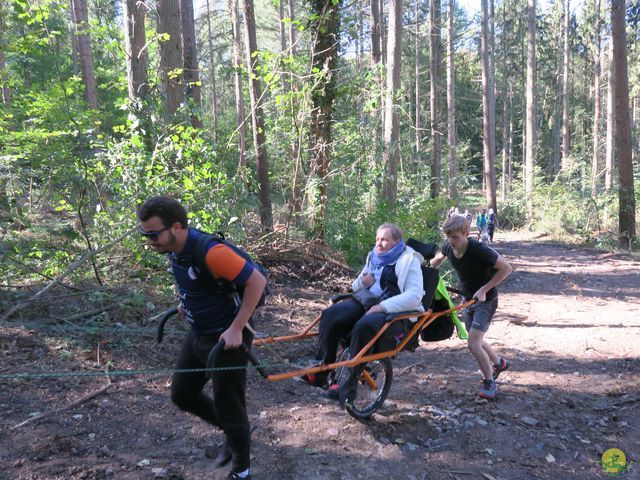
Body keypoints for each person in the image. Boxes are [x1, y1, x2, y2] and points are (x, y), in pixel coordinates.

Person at [138, 196, 266, 480]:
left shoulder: (212, 252)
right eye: (144, 235)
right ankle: (236, 435)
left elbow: (257, 281)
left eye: (153, 234)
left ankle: (241, 470)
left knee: (229, 406)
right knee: (182, 394)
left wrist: (236, 328)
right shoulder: (173, 249)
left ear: (177, 227)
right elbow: (193, 281)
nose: (150, 241)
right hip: (198, 332)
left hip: (227, 339)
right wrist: (187, 303)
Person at [303, 223, 424, 408]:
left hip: (393, 309)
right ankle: (320, 372)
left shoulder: (409, 259)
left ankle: (348, 385)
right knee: (330, 315)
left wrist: (383, 307)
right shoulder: (373, 256)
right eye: (377, 239)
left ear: (396, 241)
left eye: (384, 240)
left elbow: (415, 295)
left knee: (364, 325)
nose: (379, 243)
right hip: (366, 301)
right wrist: (363, 281)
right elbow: (355, 286)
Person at [429, 215, 512, 399]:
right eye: (448, 236)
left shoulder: (479, 250)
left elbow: (506, 268)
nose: (451, 241)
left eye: (455, 237)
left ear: (467, 234)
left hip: (486, 300)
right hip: (468, 300)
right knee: (477, 339)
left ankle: (489, 381)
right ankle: (499, 363)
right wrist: (423, 267)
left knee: (473, 343)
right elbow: (437, 260)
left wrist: (484, 289)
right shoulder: (449, 245)